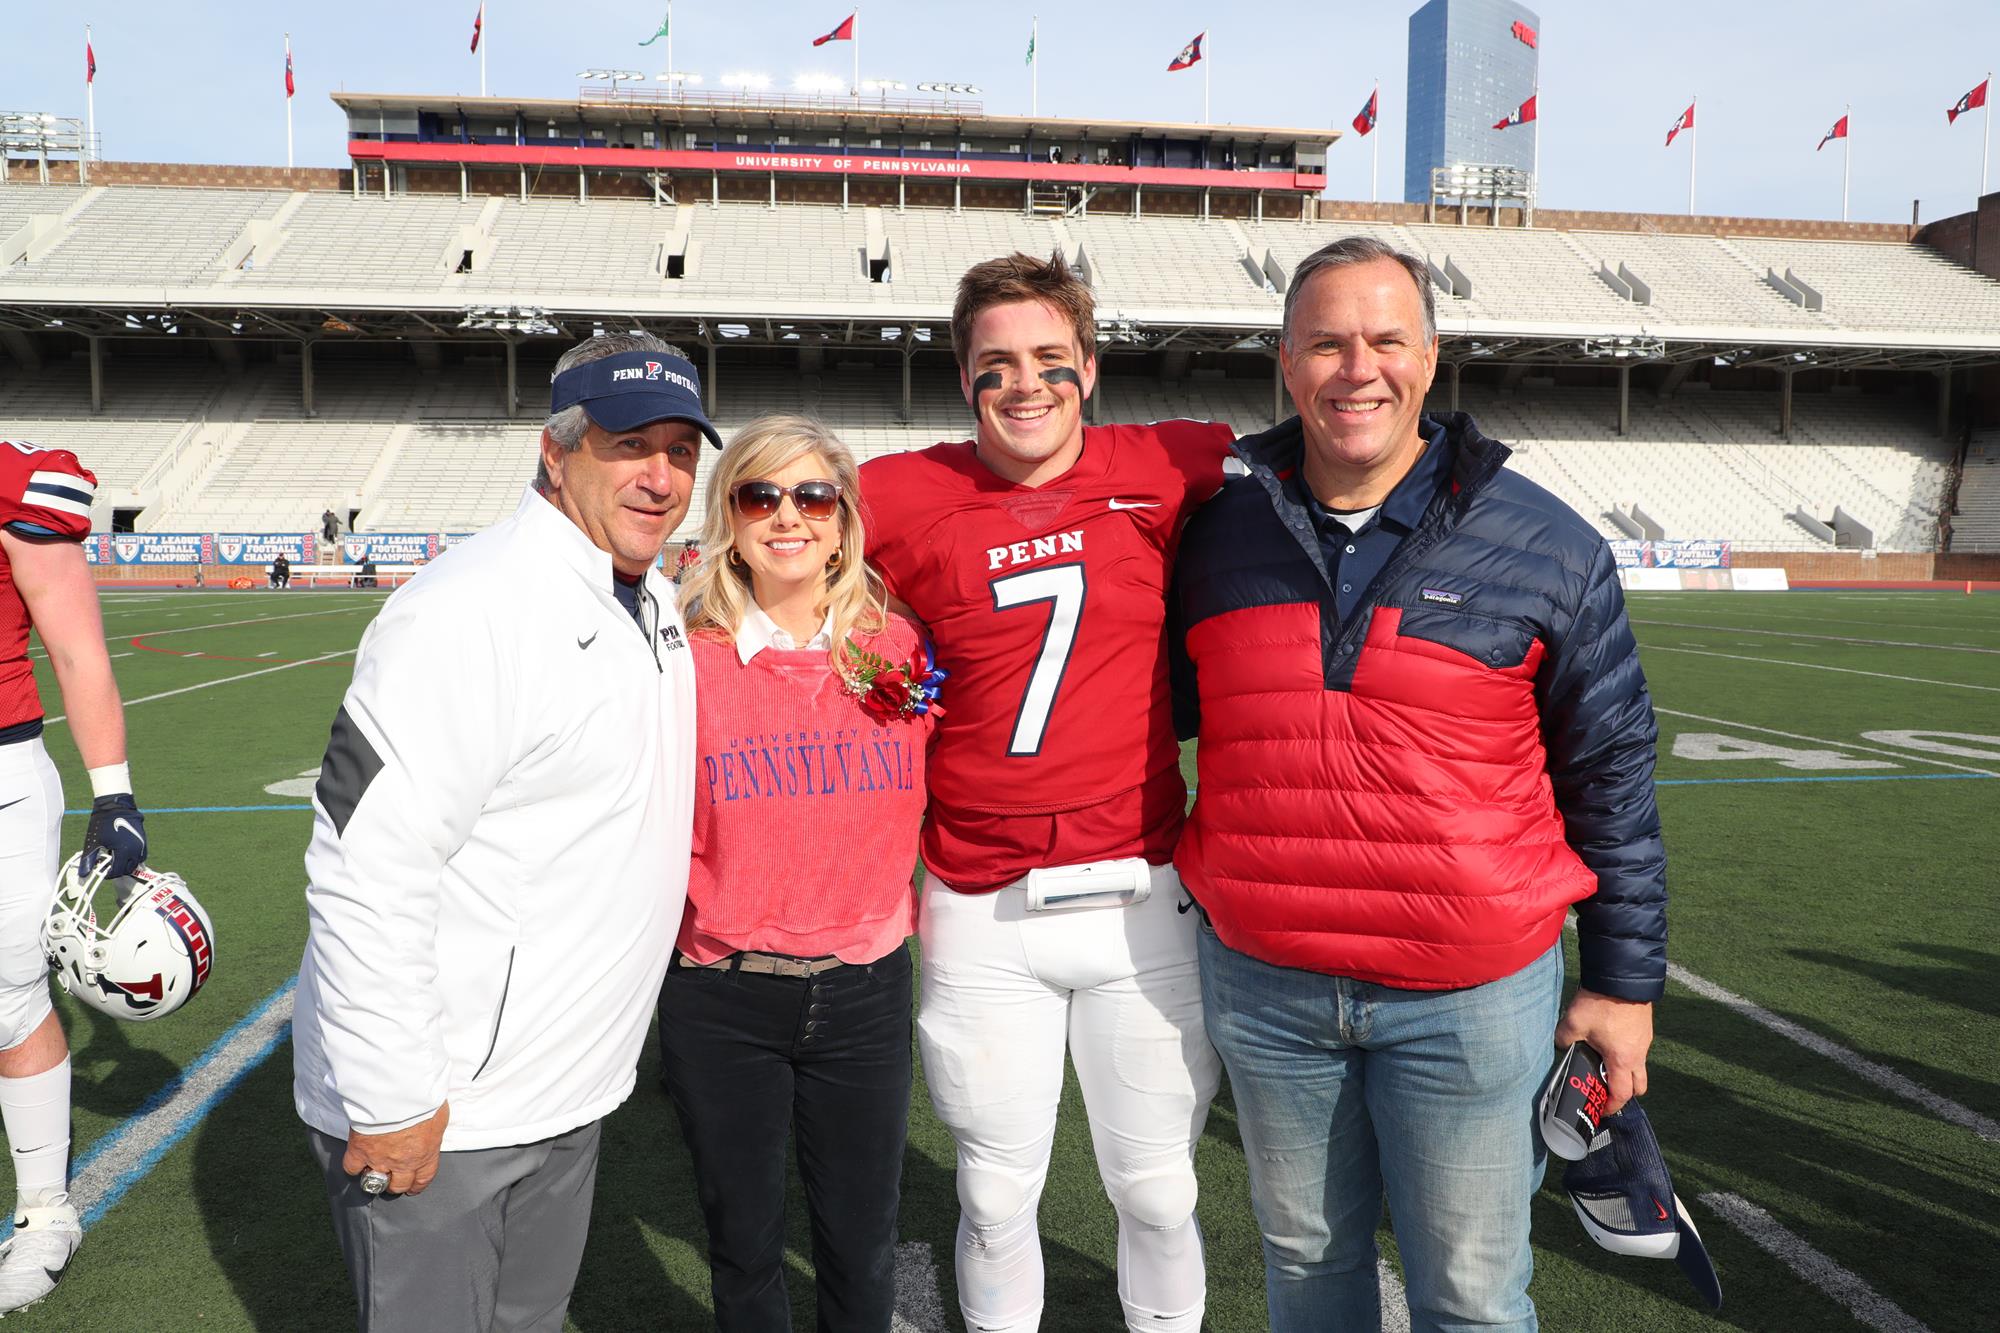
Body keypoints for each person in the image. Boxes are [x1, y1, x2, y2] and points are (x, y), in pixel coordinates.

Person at [1170, 236, 1667, 1332]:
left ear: (1429, 358)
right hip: (1268, 987)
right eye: (1325, 343)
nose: (1358, 369)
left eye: (1385, 339)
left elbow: (1610, 775)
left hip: (1470, 998)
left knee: (1473, 1296)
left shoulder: (1547, 545)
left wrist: (1622, 987)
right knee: (1304, 1267)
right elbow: (1136, 717)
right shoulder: (1210, 536)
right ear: (1284, 366)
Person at [292, 332, 716, 1333]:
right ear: (556, 450)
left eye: (680, 450)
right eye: (627, 443)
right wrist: (395, 1096)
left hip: (563, 1089)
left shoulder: (643, 593)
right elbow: (365, 864)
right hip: (451, 1109)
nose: (660, 477)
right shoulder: (466, 612)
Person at [858, 252, 1235, 1333]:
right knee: (988, 1194)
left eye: (1046, 360)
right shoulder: (891, 493)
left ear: (1090, 368)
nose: (1022, 385)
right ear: (961, 377)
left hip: (1140, 899)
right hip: (980, 905)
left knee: (1160, 1191)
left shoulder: (1167, 462)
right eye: (994, 364)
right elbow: (762, 557)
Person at [663, 415, 937, 1332]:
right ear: (729, 517)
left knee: (860, 1247)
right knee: (743, 1246)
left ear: (845, 517)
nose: (790, 516)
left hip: (865, 993)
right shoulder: (682, 660)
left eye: (814, 495)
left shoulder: (897, 649)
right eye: (760, 494)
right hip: (722, 991)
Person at [0, 439, 151, 1315]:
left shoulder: (16, 482)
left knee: (12, 1000)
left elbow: (77, 647)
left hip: (4, 775)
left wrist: (113, 793)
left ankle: (45, 1209)